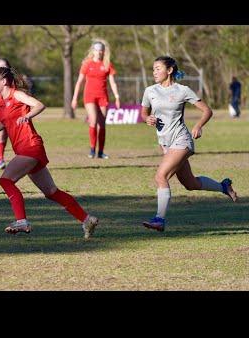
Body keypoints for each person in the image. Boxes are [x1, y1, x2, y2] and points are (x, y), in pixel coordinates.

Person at [0, 67, 99, 238]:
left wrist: (28, 116)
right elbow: (3, 123)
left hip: (30, 146)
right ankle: (86, 219)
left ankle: (21, 221)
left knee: (6, 180)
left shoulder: (16, 95)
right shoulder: (1, 103)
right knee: (51, 192)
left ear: (3, 82)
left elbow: (40, 105)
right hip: (28, 149)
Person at [140, 56, 238, 232]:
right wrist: (148, 118)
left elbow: (207, 110)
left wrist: (199, 125)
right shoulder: (150, 91)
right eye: (153, 69)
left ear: (169, 70)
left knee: (160, 176)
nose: (154, 72)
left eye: (157, 68)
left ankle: (159, 219)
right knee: (190, 183)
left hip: (182, 140)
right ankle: (224, 186)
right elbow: (144, 112)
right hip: (166, 145)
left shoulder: (182, 90)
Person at [72, 40, 121, 159]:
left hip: (103, 97)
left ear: (103, 51)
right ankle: (92, 149)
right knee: (93, 121)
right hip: (89, 96)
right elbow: (79, 82)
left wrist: (117, 97)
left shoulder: (107, 64)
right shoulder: (87, 64)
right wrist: (74, 98)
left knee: (102, 124)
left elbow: (112, 83)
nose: (99, 52)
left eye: (101, 50)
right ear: (93, 51)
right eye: (96, 49)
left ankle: (101, 152)